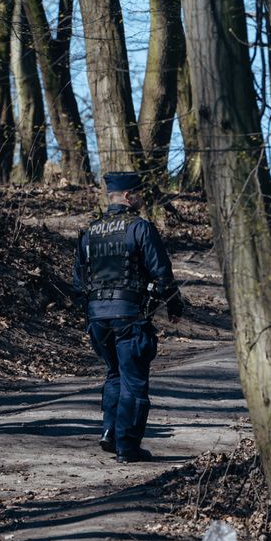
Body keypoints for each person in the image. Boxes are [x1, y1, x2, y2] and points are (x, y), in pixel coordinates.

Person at [73, 171, 184, 463]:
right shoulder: (141, 228)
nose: (141, 198)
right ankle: (127, 446)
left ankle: (110, 432)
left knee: (113, 374)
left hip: (97, 318)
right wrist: (174, 306)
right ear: (126, 196)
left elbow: (78, 281)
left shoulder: (89, 232)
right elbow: (162, 272)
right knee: (134, 381)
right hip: (129, 316)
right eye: (138, 193)